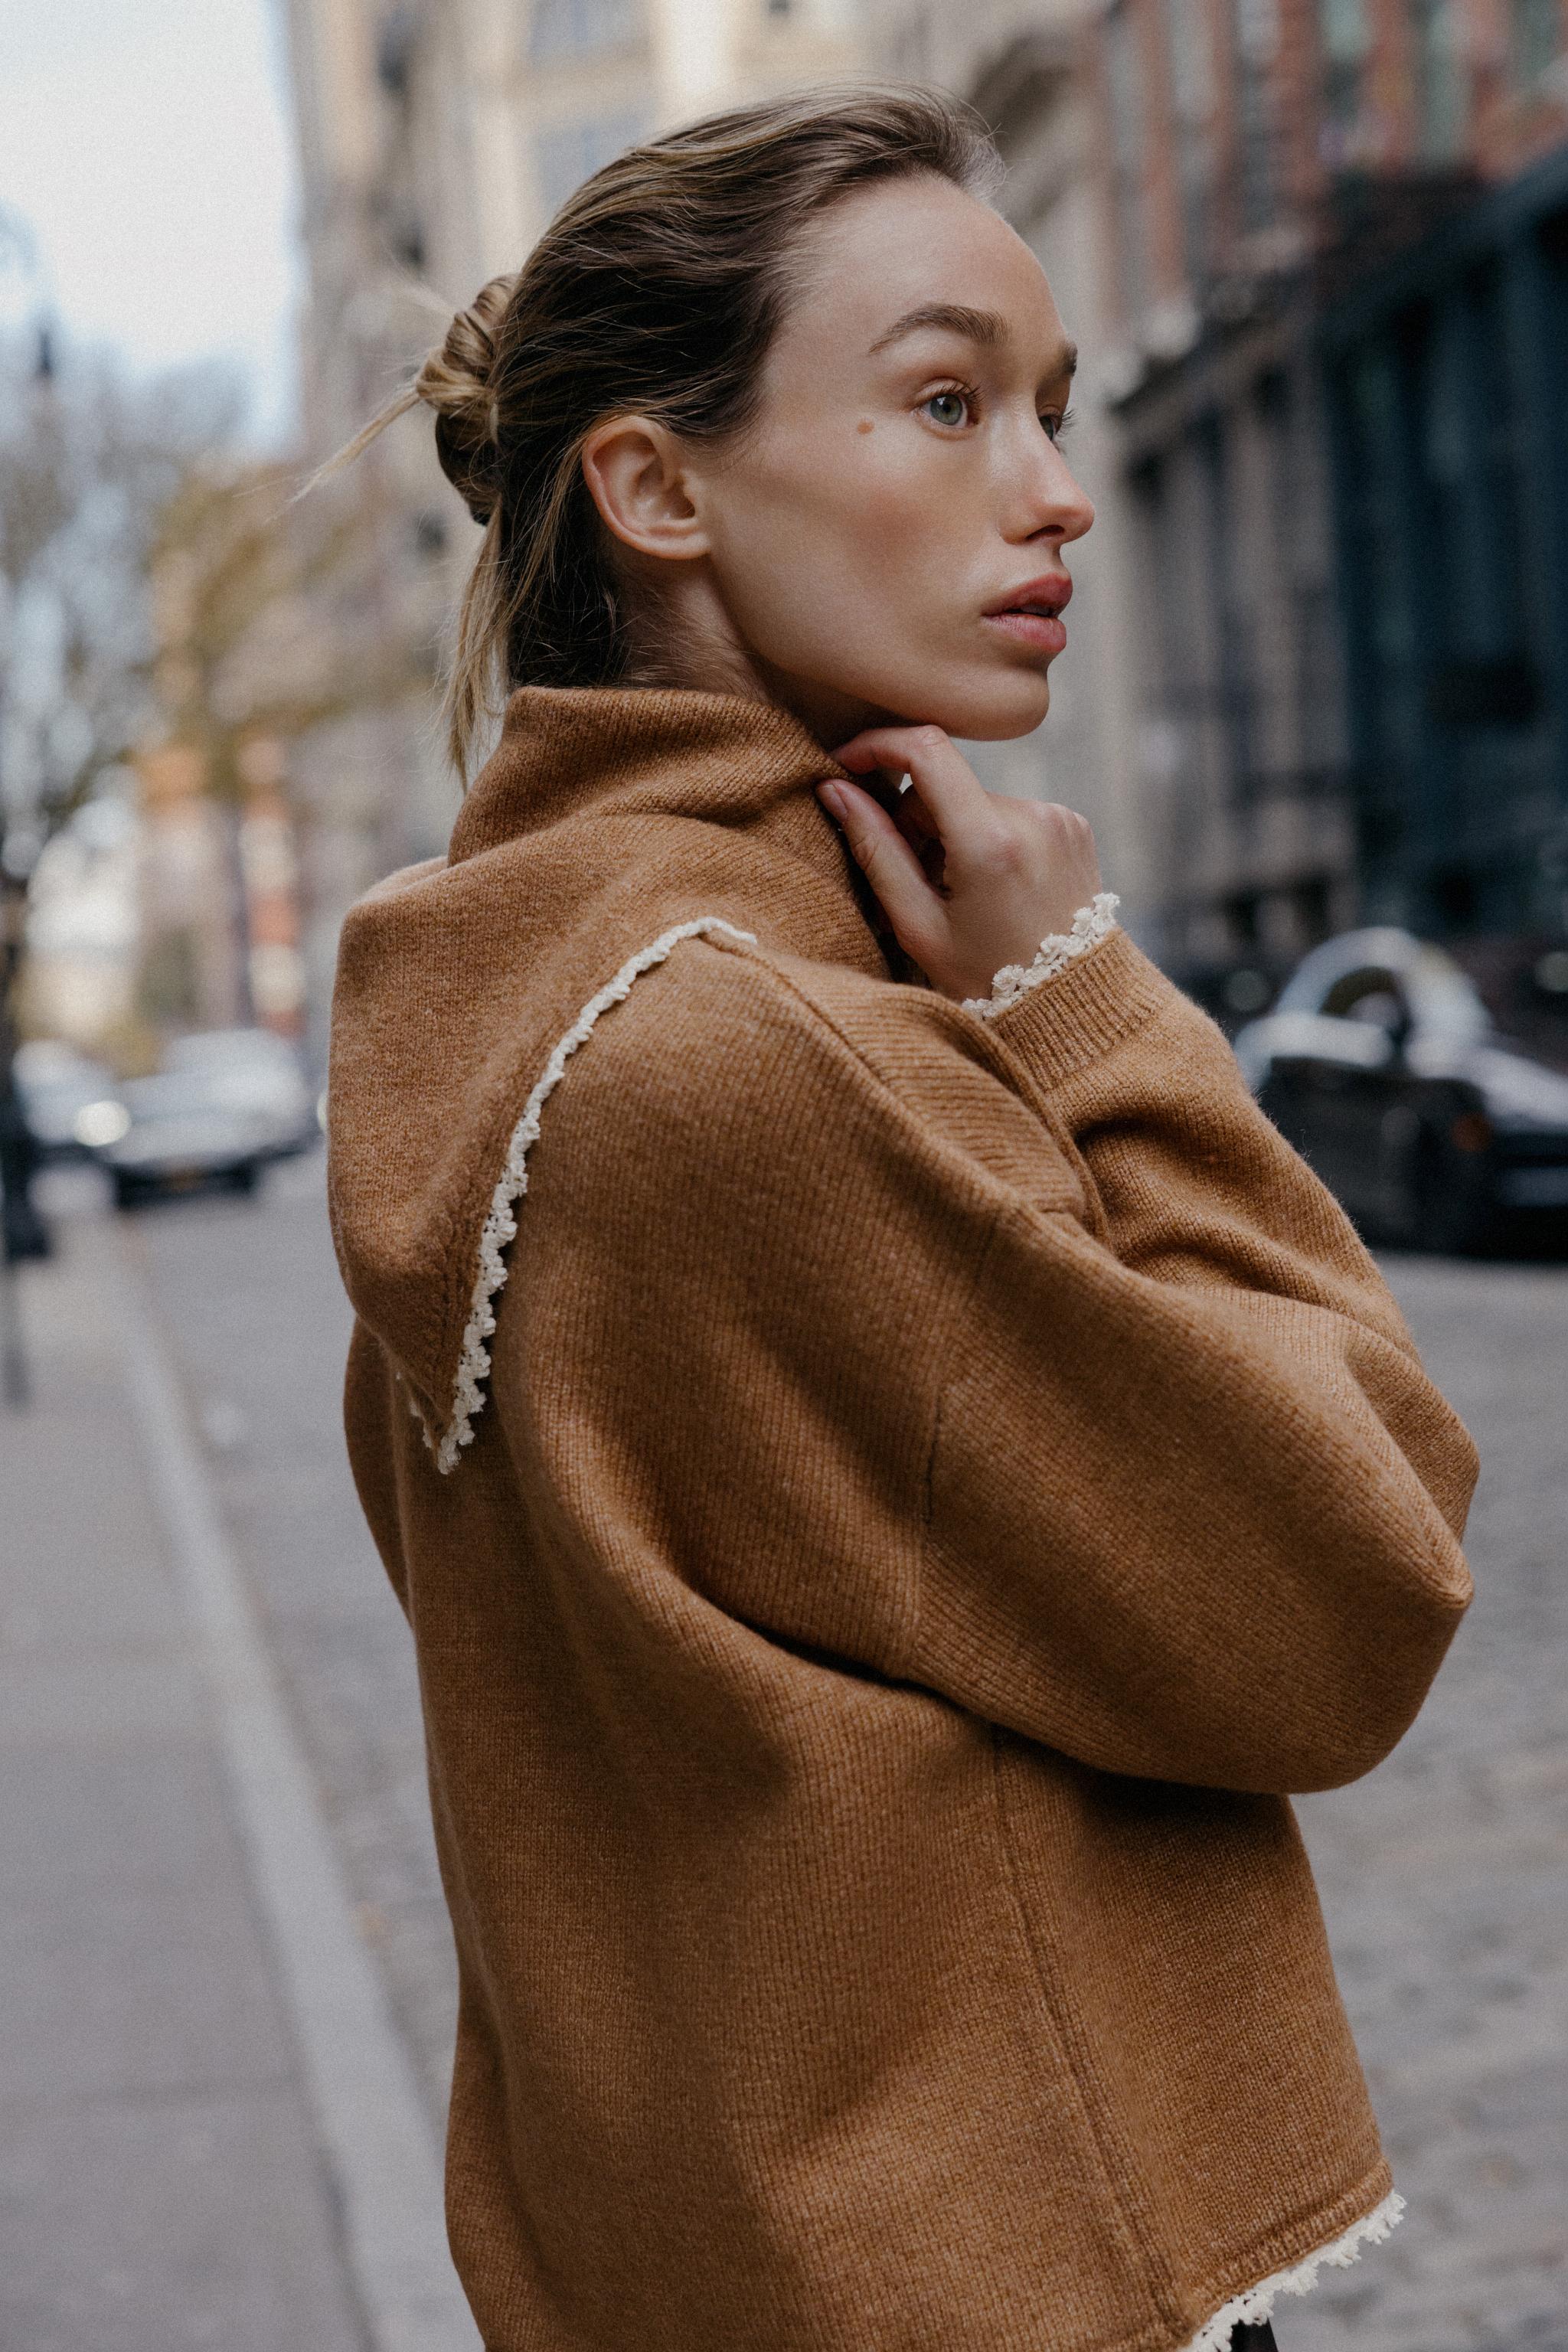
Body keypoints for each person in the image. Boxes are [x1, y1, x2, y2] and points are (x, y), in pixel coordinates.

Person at [325, 86, 1476, 2352]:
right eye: (945, 403)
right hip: (980, 2279)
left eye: (1045, 408)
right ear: (652, 490)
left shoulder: (507, 995)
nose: (1053, 492)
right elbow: (1349, 1579)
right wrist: (1085, 1007)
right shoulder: (752, 1059)